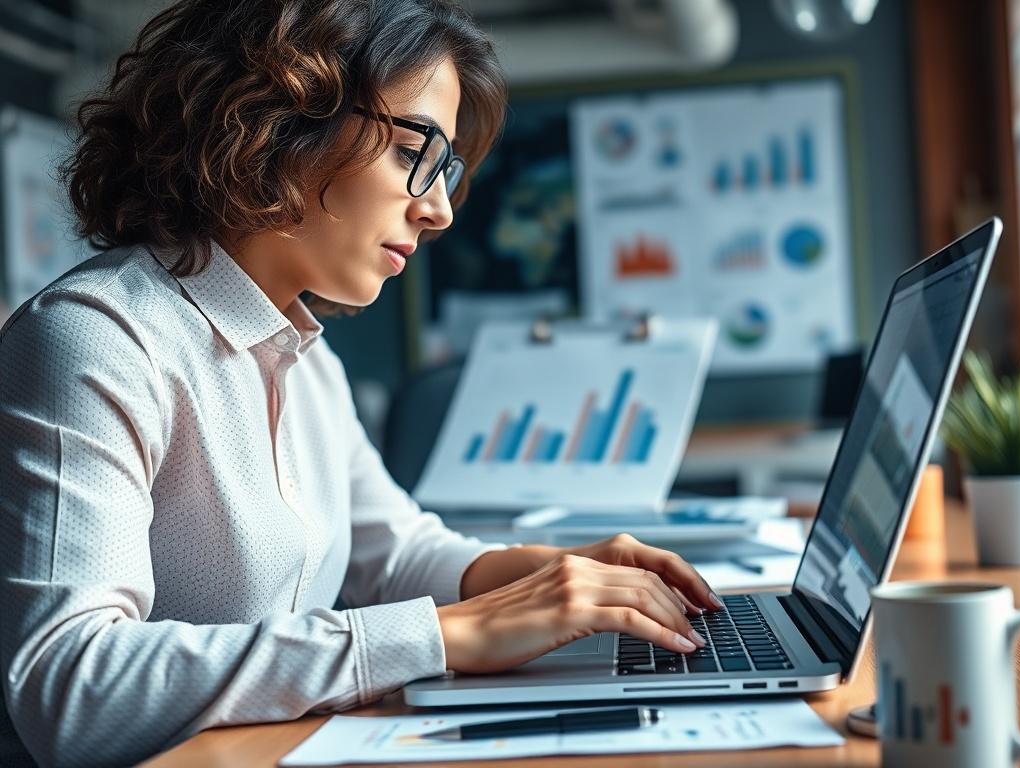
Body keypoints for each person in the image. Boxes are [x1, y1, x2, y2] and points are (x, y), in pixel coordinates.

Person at [0, 1, 722, 765]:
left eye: (445, 171)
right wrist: (448, 635)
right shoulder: (93, 339)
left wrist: (555, 574)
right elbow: (69, 689)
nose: (439, 207)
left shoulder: (306, 358)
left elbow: (398, 555)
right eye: (418, 151)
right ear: (279, 116)